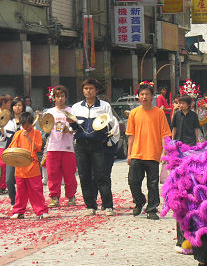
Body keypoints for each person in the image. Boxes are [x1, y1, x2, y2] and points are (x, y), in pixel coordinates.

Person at [68, 79, 120, 216]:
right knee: (84, 176)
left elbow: (111, 125)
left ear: (96, 90)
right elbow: (74, 128)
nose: (88, 91)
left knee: (101, 175)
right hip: (81, 145)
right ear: (83, 90)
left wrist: (109, 141)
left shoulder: (104, 106)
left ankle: (108, 205)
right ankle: (90, 205)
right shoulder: (76, 107)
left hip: (98, 145)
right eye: (86, 88)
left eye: (91, 88)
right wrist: (71, 124)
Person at [127, 83, 171, 220]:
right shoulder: (134, 113)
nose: (144, 97)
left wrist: (165, 152)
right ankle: (139, 202)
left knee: (152, 183)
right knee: (133, 181)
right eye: (142, 94)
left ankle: (152, 208)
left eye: (147, 94)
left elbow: (165, 134)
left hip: (153, 153)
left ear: (152, 96)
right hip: (136, 153)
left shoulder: (159, 113)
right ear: (138, 96)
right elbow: (131, 135)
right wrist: (129, 154)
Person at [171, 94, 201, 248]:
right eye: (180, 103)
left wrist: (198, 142)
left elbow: (196, 129)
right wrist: (171, 141)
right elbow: (174, 129)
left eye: (183, 103)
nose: (181, 105)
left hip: (191, 144)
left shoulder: (194, 115)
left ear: (189, 105)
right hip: (180, 144)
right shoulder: (176, 115)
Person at [9, 112, 49, 219]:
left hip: (32, 166)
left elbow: (38, 148)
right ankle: (18, 211)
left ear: (31, 123)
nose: (25, 127)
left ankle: (41, 210)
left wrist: (29, 139)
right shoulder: (17, 134)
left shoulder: (36, 133)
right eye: (23, 125)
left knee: (36, 190)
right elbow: (12, 149)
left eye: (27, 124)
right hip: (20, 167)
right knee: (20, 191)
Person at [45, 85, 77, 208]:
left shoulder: (71, 110)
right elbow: (46, 128)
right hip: (53, 147)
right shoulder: (49, 112)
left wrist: (68, 130)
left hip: (67, 147)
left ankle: (71, 196)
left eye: (62, 96)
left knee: (69, 173)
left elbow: (76, 128)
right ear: (53, 98)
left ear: (65, 97)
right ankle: (54, 197)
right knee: (53, 174)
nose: (60, 99)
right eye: (57, 96)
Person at [0, 97, 24, 206]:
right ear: (12, 107)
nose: (17, 107)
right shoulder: (8, 122)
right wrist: (1, 129)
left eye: (20, 105)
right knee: (9, 180)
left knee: (22, 180)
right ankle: (14, 201)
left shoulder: (27, 120)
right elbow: (3, 139)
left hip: (23, 154)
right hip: (10, 153)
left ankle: (22, 202)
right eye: (15, 105)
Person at [0, 95, 12, 194]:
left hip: (3, 143)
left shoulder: (9, 114)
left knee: (3, 165)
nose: (9, 104)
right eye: (7, 102)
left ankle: (2, 186)